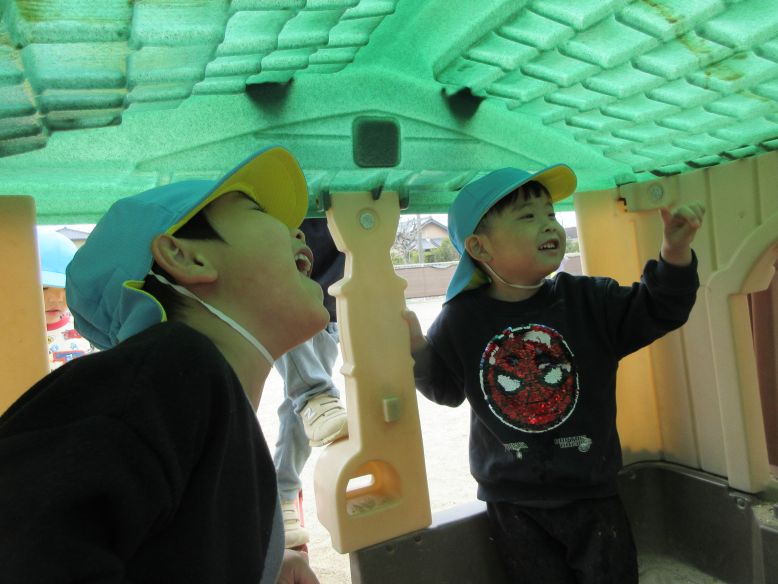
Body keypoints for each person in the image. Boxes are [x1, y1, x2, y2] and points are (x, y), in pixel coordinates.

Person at [0, 146, 324, 584]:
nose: (299, 232)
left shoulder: (195, 399)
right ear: (185, 257)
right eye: (257, 211)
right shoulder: (164, 369)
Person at [405, 165, 705, 583]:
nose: (549, 224)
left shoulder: (588, 301)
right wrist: (417, 347)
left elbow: (660, 308)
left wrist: (674, 252)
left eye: (550, 213)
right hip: (511, 500)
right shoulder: (461, 320)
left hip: (591, 490)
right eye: (528, 216)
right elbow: (445, 389)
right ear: (480, 246)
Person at [273, 218, 348, 549]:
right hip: (275, 295)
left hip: (327, 309)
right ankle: (314, 395)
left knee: (304, 412)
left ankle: (283, 493)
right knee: (312, 401)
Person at [36, 228, 95, 370]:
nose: (57, 299)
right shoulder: (8, 334)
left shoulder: (86, 330)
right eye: (44, 288)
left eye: (66, 288)